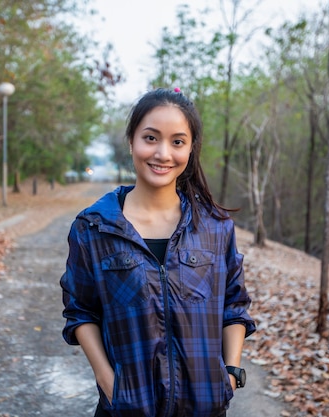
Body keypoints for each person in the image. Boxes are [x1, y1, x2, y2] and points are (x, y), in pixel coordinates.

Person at [60, 87, 256, 417]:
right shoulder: (94, 227)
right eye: (151, 138)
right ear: (131, 141)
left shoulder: (215, 227)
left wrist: (231, 374)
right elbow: (81, 311)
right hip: (126, 409)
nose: (163, 153)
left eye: (177, 142)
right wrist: (108, 381)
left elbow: (234, 305)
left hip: (204, 408)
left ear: (191, 149)